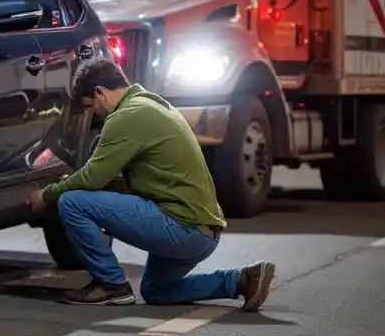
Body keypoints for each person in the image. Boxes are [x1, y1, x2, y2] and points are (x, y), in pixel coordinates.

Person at [31, 58, 276, 309]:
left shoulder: (127, 116)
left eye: (91, 107)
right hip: (203, 232)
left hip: (183, 228)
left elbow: (91, 178)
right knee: (156, 291)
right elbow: (122, 185)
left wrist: (47, 195)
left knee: (72, 202)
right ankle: (241, 281)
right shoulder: (155, 105)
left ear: (100, 93)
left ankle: (111, 286)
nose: (95, 114)